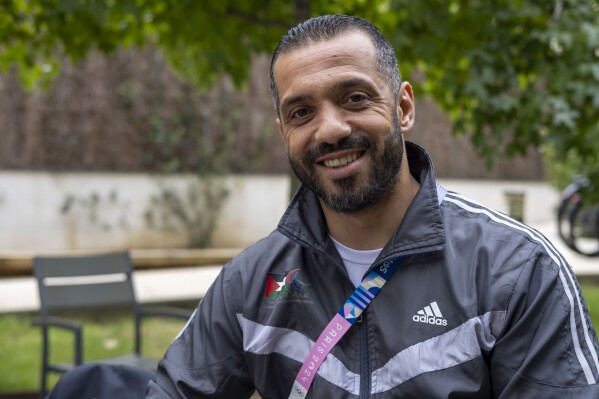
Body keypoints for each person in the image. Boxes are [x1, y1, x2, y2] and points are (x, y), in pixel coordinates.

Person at [146, 15, 599, 398]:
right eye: (301, 112)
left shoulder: (516, 271)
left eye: (354, 98)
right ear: (283, 131)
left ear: (403, 107)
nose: (330, 129)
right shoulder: (250, 283)